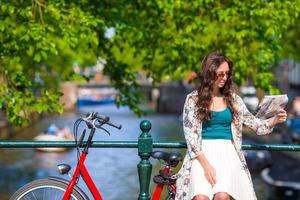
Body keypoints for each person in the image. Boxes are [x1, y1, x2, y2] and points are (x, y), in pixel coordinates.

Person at [175, 52, 287, 200]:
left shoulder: (234, 100)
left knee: (222, 196)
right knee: (200, 197)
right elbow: (190, 136)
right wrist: (206, 165)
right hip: (200, 155)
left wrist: (275, 120)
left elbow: (256, 125)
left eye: (227, 73)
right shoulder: (193, 99)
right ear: (210, 73)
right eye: (220, 74)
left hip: (227, 153)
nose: (224, 77)